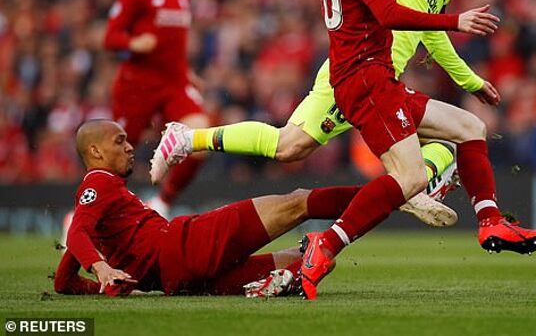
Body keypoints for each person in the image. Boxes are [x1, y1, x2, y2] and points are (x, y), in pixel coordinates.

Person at [148, 0, 515, 224]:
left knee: (453, 134)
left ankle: (415, 188)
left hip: (381, 81)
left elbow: (434, 38)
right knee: (288, 146)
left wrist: (471, 82)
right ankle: (188, 139)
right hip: (357, 71)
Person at [293, 0, 536, 299]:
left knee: (470, 127)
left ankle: (491, 222)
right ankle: (326, 244)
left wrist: (471, 81)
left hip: (380, 77)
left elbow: (428, 34)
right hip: (364, 78)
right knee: (406, 177)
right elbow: (392, 5)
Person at [54, 119, 392, 297]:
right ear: (95, 152)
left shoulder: (102, 201)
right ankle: (394, 194)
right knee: (298, 201)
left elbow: (63, 281)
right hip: (185, 244)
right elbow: (77, 231)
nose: (130, 147)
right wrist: (102, 270)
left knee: (309, 259)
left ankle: (285, 280)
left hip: (178, 282)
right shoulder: (99, 182)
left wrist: (108, 284)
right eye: (120, 141)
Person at [102, 0, 210, 217]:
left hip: (174, 84)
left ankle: (162, 202)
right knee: (116, 159)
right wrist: (133, 43)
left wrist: (188, 72)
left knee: (200, 140)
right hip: (137, 86)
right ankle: (84, 213)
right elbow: (110, 37)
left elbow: (175, 42)